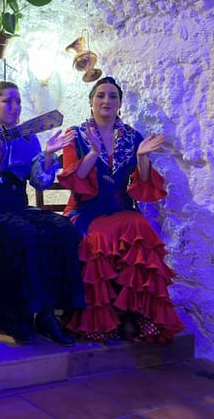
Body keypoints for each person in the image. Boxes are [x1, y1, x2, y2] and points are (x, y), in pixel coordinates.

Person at [58, 76, 185, 343]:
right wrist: (92, 152)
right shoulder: (75, 135)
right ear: (91, 102)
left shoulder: (132, 136)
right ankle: (102, 319)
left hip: (120, 208)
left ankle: (136, 315)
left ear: (120, 104)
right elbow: (76, 181)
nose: (106, 100)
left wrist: (141, 157)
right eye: (101, 95)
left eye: (113, 96)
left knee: (140, 228)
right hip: (86, 211)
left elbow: (143, 182)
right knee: (100, 238)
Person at [0, 81, 85, 345]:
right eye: (8, 101)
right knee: (23, 232)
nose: (15, 107)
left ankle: (47, 315)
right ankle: (13, 316)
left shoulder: (29, 137)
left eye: (18, 101)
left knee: (63, 229)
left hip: (16, 206)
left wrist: (49, 155)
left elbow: (39, 182)